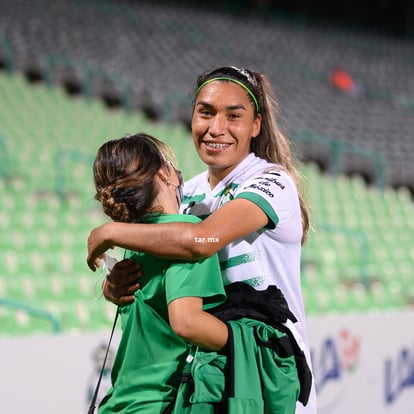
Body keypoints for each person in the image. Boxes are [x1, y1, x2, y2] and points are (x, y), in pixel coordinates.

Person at [87, 66, 317, 413]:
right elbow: (160, 280)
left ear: (256, 125)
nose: (216, 128)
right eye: (205, 113)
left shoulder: (271, 182)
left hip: (264, 378)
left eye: (233, 116)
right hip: (207, 382)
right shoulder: (184, 192)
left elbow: (199, 240)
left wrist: (109, 231)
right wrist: (116, 286)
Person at [90, 133, 229, 413]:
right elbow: (186, 323)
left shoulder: (133, 243)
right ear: (164, 173)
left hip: (120, 403)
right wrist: (252, 340)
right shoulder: (185, 233)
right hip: (157, 404)